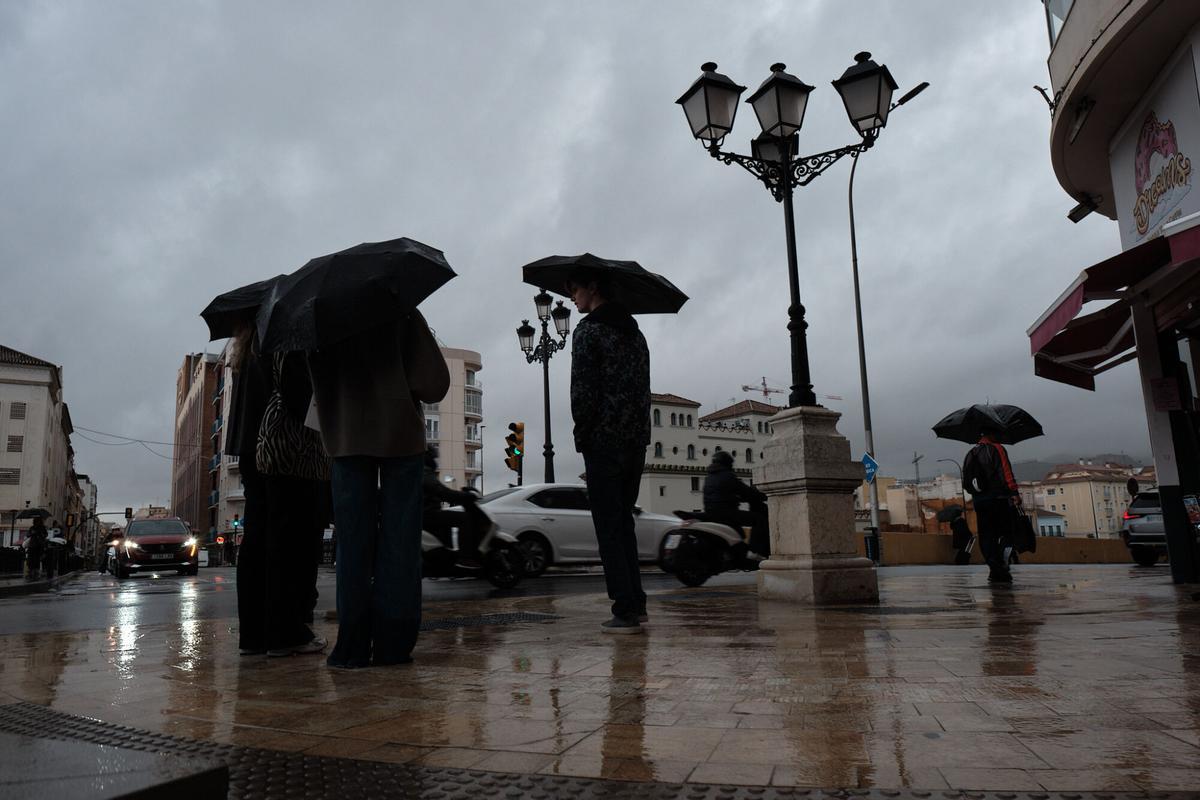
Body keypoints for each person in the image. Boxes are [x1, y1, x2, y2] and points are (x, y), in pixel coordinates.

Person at [308, 310, 449, 668]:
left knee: (352, 542)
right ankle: (394, 643)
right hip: (400, 436)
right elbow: (435, 384)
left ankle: (351, 646)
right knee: (401, 540)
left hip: (346, 438)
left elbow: (316, 382)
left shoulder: (324, 318)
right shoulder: (401, 313)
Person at [568, 274, 651, 635]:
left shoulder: (588, 331)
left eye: (575, 289)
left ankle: (625, 607)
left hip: (603, 440)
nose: (572, 297)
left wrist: (582, 434)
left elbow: (583, 391)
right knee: (624, 522)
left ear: (593, 287)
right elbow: (643, 390)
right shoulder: (636, 334)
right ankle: (637, 602)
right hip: (635, 441)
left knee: (608, 526)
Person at [255, 349, 331, 657]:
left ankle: (281, 631)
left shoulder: (277, 344)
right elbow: (301, 398)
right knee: (293, 545)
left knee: (286, 544)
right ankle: (287, 633)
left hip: (284, 450)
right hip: (294, 453)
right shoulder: (293, 347)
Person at [962, 429, 1020, 583]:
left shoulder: (970, 453)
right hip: (998, 498)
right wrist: (1014, 492)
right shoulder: (997, 448)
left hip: (979, 501)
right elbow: (1006, 472)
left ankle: (993, 566)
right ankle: (1003, 564)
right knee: (1006, 533)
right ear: (991, 434)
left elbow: (966, 481)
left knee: (986, 534)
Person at [422, 445, 483, 566]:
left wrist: (460, 495)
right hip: (426, 514)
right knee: (464, 518)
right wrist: (466, 496)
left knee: (446, 519)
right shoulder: (425, 473)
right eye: (434, 458)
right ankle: (465, 557)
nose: (435, 461)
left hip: (425, 512)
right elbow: (442, 492)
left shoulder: (423, 471)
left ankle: (448, 556)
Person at [702, 450, 770, 557]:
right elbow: (745, 491)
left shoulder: (709, 477)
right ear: (727, 463)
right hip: (727, 514)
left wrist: (736, 498)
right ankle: (755, 551)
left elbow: (724, 493)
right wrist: (764, 495)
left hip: (712, 513)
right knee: (759, 519)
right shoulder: (727, 476)